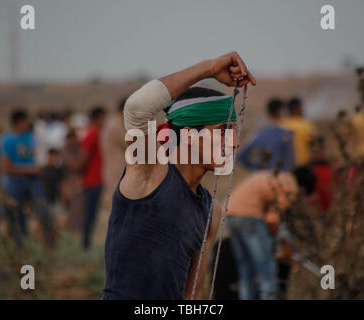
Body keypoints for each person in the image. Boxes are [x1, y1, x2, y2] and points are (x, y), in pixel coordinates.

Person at [102, 52, 256, 300]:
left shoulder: (211, 211)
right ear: (188, 134)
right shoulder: (149, 173)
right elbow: (137, 108)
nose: (235, 142)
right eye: (223, 131)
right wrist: (209, 68)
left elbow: (192, 292)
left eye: (234, 132)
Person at [226, 167, 315, 300]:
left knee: (246, 269)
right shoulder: (290, 186)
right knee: (267, 270)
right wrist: (285, 244)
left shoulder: (279, 176)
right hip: (249, 216)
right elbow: (272, 220)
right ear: (304, 188)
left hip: (230, 212)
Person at [1, 109, 52, 248]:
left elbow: (37, 155)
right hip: (16, 180)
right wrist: (28, 169)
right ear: (18, 122)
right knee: (15, 213)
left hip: (33, 179)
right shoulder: (8, 140)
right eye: (24, 121)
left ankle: (47, 242)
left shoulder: (30, 137)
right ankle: (19, 243)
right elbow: (6, 167)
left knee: (42, 208)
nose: (27, 124)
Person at [238, 98, 295, 171]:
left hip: (262, 177)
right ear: (281, 111)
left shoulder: (258, 133)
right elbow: (291, 161)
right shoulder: (286, 134)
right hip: (281, 177)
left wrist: (255, 169)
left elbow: (241, 156)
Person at [81, 106, 106, 250]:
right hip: (93, 180)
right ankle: (86, 245)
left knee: (93, 214)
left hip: (96, 179)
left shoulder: (97, 133)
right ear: (98, 117)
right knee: (90, 214)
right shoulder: (93, 134)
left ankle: (88, 244)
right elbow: (84, 157)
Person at [103, 97, 127, 208]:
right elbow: (130, 144)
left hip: (116, 169)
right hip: (117, 170)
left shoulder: (112, 122)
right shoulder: (116, 125)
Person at [61, 130, 86, 231]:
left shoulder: (79, 149)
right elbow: (75, 165)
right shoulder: (64, 150)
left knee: (80, 208)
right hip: (68, 183)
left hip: (79, 182)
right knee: (70, 209)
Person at [281, 97, 316, 168]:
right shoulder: (306, 125)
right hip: (303, 166)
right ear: (297, 108)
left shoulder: (282, 124)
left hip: (285, 166)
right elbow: (314, 144)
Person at [41, 148, 64, 235]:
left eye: (55, 156)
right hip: (44, 199)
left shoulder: (59, 171)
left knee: (56, 224)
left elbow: (63, 185)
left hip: (55, 200)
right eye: (52, 156)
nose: (54, 158)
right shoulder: (43, 170)